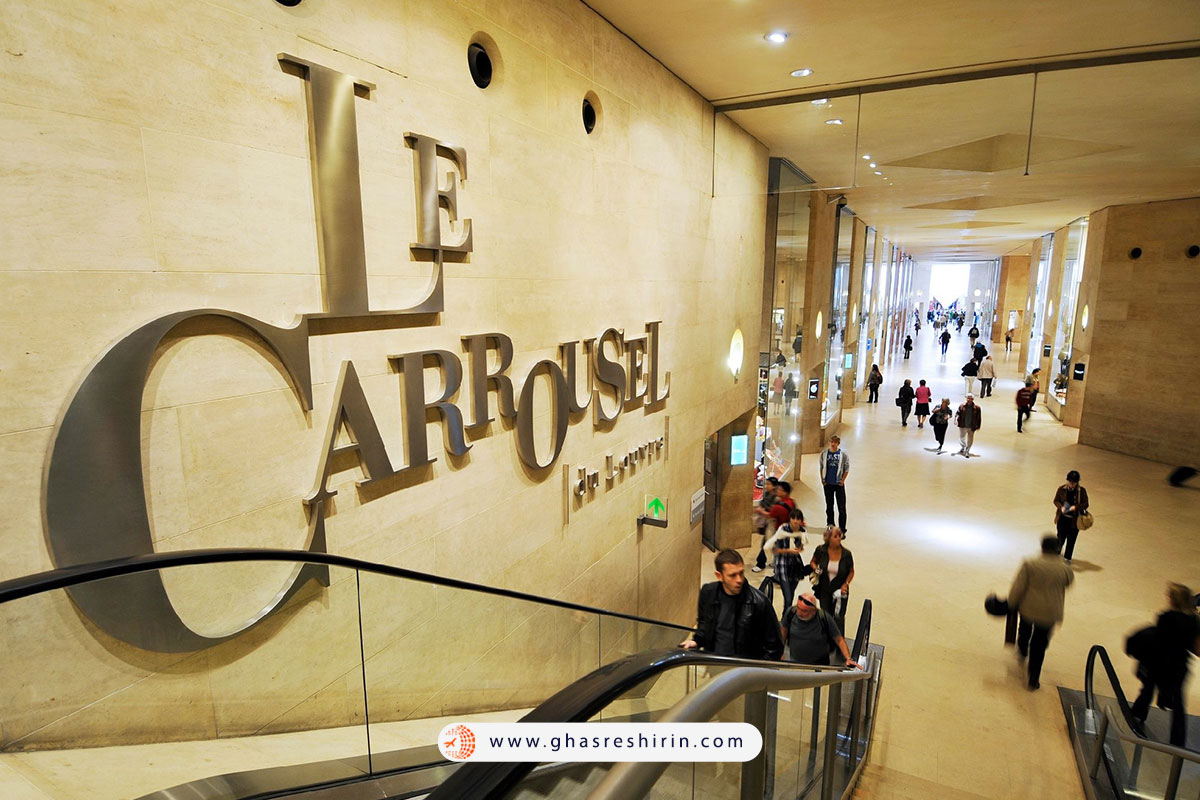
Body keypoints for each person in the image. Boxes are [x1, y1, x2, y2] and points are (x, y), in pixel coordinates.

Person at [1130, 583, 1200, 747]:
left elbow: (1157, 640)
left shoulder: (1166, 617)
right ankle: (1177, 741)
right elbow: (1197, 650)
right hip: (1179, 666)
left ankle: (1137, 714)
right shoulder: (1194, 621)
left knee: (1147, 688)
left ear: (1173, 600)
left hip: (1159, 662)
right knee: (1179, 705)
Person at [681, 549, 783, 660]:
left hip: (743, 670)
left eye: (741, 573)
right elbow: (704, 623)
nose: (739, 580)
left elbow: (774, 647)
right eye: (732, 575)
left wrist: (755, 672)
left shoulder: (758, 602)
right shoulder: (708, 592)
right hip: (714, 662)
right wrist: (696, 641)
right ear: (719, 576)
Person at [1008, 536, 1074, 690]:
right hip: (1050, 612)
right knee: (1040, 644)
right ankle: (1033, 678)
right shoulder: (1065, 568)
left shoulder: (1031, 564)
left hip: (1028, 607)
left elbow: (1019, 586)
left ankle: (1023, 649)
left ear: (1042, 547)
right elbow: (1068, 583)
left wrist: (1012, 602)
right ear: (1058, 549)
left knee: (1024, 629)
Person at [781, 593, 859, 668]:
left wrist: (848, 659)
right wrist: (780, 653)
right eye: (798, 608)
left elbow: (839, 640)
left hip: (820, 665)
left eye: (804, 611)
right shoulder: (791, 613)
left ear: (814, 611)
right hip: (795, 662)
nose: (799, 613)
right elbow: (783, 632)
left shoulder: (824, 618)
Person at [809, 526, 854, 632]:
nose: (838, 538)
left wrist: (846, 584)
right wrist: (816, 569)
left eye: (839, 536)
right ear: (828, 538)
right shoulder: (820, 550)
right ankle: (826, 640)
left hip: (840, 591)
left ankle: (839, 641)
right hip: (825, 589)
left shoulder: (847, 554)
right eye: (835, 536)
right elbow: (813, 562)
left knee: (839, 618)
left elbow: (851, 571)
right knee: (825, 616)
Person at [764, 506, 809, 611]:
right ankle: (785, 623)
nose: (795, 521)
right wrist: (788, 550)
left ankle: (785, 620)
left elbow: (801, 546)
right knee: (788, 599)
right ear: (790, 519)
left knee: (790, 596)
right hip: (783, 565)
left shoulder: (802, 532)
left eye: (798, 519)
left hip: (795, 565)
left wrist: (800, 549)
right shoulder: (783, 530)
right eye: (793, 518)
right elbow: (775, 550)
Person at [753, 480, 794, 572]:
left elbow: (771, 514)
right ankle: (777, 564)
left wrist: (761, 511)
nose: (777, 491)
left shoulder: (779, 504)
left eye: (780, 490)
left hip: (776, 528)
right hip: (783, 529)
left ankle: (761, 563)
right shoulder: (790, 502)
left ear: (785, 492)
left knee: (767, 544)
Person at [1053, 470, 1089, 562]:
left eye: (1073, 483)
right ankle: (1056, 553)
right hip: (1063, 518)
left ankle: (1067, 558)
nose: (1071, 484)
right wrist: (1061, 508)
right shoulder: (1062, 489)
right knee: (1060, 537)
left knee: (1071, 539)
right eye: (1070, 482)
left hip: (1074, 520)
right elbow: (1056, 500)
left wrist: (1075, 507)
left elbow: (1085, 504)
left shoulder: (1081, 491)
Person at [818, 436, 849, 533]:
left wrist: (842, 480)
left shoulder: (843, 455)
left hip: (838, 484)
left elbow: (846, 468)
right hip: (828, 484)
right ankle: (830, 524)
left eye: (835, 442)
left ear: (838, 443)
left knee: (841, 507)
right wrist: (822, 479)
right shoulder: (824, 454)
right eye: (831, 442)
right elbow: (821, 467)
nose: (833, 444)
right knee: (829, 505)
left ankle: (842, 528)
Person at [751, 477, 779, 571]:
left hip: (773, 524)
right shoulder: (766, 494)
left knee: (765, 543)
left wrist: (762, 511)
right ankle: (776, 561)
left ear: (774, 486)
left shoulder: (776, 498)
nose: (766, 486)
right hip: (768, 523)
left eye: (769, 484)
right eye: (766, 484)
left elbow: (773, 513)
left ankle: (760, 563)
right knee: (773, 543)